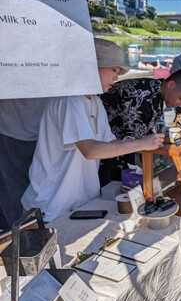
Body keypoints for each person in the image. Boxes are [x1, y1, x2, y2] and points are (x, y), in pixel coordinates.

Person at [21, 39, 165, 222]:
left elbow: (109, 143)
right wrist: (141, 143)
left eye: (119, 72)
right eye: (114, 70)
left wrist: (137, 145)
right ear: (92, 67)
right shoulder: (70, 100)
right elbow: (90, 150)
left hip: (80, 202)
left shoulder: (95, 101)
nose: (116, 77)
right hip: (51, 205)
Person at [99, 69, 181, 185]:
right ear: (171, 85)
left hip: (118, 145)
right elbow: (138, 144)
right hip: (105, 150)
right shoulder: (141, 96)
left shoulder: (157, 91)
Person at [0, 98, 50, 230]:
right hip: (42, 128)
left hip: (13, 126)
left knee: (15, 192)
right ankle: (27, 235)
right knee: (43, 190)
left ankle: (24, 235)